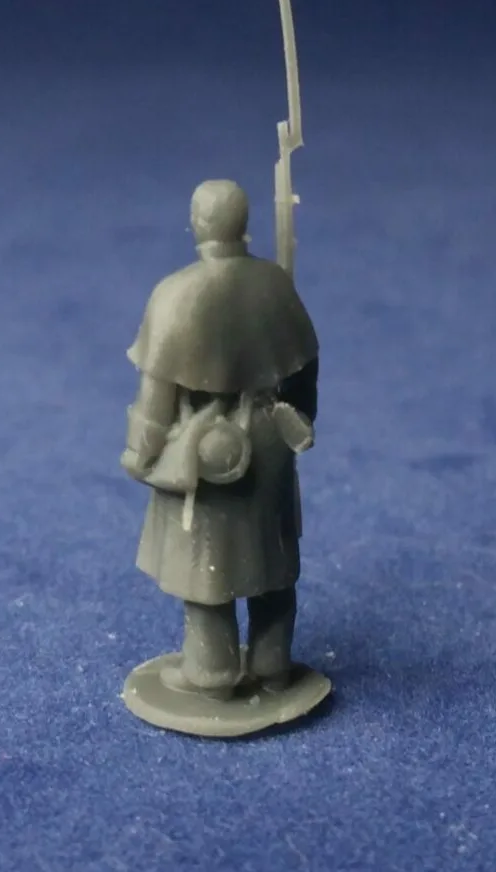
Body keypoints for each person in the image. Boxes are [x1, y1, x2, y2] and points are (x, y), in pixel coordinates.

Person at [121, 179, 318, 702]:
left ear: (197, 224)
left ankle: (211, 672)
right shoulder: (275, 285)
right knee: (271, 560)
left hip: (204, 446)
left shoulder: (175, 294)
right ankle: (273, 663)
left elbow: (156, 395)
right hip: (270, 439)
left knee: (205, 566)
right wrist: (299, 421)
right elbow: (303, 368)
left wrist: (141, 453)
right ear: (243, 223)